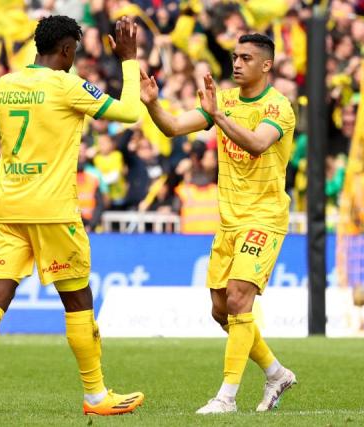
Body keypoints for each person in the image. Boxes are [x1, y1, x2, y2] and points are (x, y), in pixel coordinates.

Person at [0, 15, 144, 417]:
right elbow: (128, 112)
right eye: (75, 50)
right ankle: (95, 396)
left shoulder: (5, 84)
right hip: (53, 210)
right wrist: (129, 59)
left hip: (10, 207)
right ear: (68, 49)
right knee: (77, 299)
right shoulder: (67, 84)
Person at [141, 33, 296, 414]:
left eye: (246, 57)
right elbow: (174, 127)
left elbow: (258, 143)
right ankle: (276, 373)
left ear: (266, 65)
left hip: (264, 217)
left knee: (241, 298)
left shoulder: (278, 107)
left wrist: (220, 116)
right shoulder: (222, 99)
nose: (237, 63)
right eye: (234, 56)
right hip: (228, 221)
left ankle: (226, 397)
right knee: (220, 309)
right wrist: (152, 105)